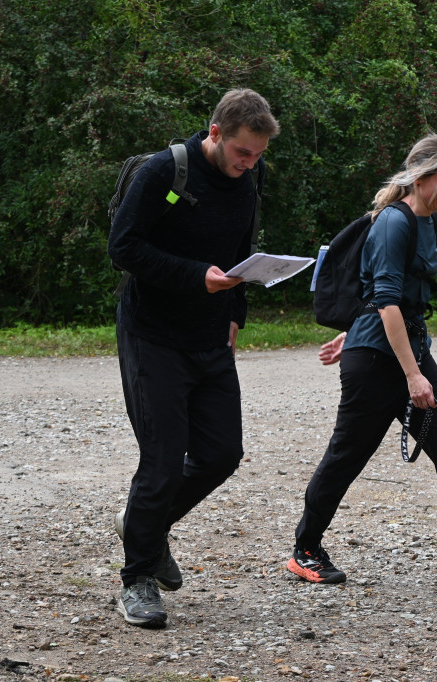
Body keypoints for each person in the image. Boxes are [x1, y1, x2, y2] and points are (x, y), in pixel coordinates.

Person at [288, 134, 437, 590]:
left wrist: (363, 334)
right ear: (422, 176)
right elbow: (386, 302)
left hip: (403, 349)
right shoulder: (393, 223)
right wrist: (412, 375)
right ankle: (305, 550)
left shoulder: (427, 222)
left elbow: (393, 299)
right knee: (347, 455)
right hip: (382, 363)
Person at [107, 88, 280, 627]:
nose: (249, 165)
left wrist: (235, 312)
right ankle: (137, 580)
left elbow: (239, 253)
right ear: (215, 134)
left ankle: (143, 524)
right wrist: (193, 276)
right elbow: (123, 247)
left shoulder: (249, 179)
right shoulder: (165, 172)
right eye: (242, 154)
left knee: (221, 453)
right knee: (161, 460)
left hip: (211, 338)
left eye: (257, 156)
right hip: (153, 336)